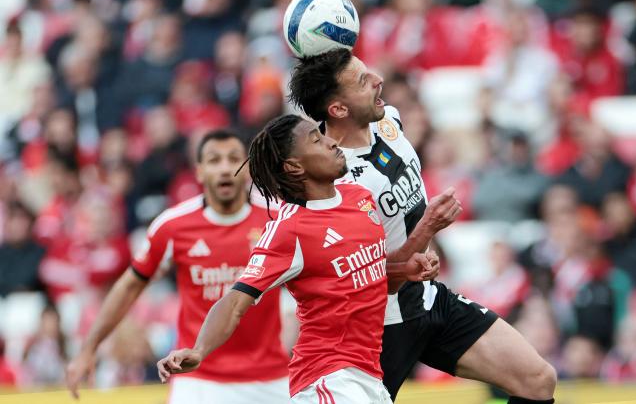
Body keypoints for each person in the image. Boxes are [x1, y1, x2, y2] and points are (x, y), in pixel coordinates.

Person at [288, 48, 557, 404]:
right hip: (376, 328)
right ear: (338, 109)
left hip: (428, 300)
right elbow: (372, 278)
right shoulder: (335, 184)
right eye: (362, 81)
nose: (377, 80)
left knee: (537, 380)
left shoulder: (390, 121)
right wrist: (427, 229)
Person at [156, 114, 439, 403]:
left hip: (366, 374)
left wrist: (404, 269)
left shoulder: (359, 197)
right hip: (328, 378)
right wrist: (199, 350)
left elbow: (361, 273)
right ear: (294, 166)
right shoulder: (289, 229)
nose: (331, 142)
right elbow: (234, 301)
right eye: (317, 140)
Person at [65, 129, 290, 403]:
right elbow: (128, 287)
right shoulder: (173, 226)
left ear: (248, 170)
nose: (224, 168)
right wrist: (88, 348)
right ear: (199, 172)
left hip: (269, 378)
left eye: (234, 159)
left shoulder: (278, 220)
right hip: (198, 379)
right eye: (214, 160)